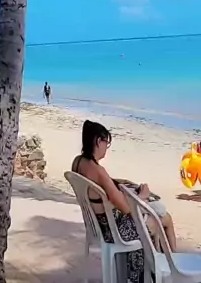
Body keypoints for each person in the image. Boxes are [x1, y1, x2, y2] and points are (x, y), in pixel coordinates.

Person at [71, 120, 176, 283]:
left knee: (156, 218)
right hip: (114, 232)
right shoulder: (99, 171)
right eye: (107, 143)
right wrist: (142, 196)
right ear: (98, 141)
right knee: (164, 219)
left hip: (97, 226)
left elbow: (97, 185)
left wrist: (114, 182)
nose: (107, 148)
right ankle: (170, 269)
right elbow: (126, 209)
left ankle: (159, 270)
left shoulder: (78, 162)